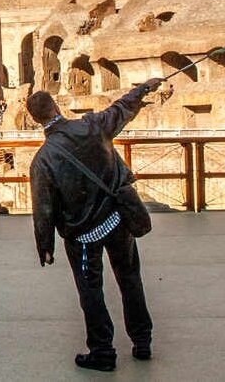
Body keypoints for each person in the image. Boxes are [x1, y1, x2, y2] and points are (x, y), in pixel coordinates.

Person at [28, 78, 163, 372]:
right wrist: (143, 89)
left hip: (83, 233)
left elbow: (44, 208)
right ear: (56, 107)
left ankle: (102, 350)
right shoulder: (92, 126)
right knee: (129, 278)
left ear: (35, 119)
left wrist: (45, 246)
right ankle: (142, 341)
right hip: (117, 219)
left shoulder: (43, 160)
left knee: (91, 290)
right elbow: (121, 109)